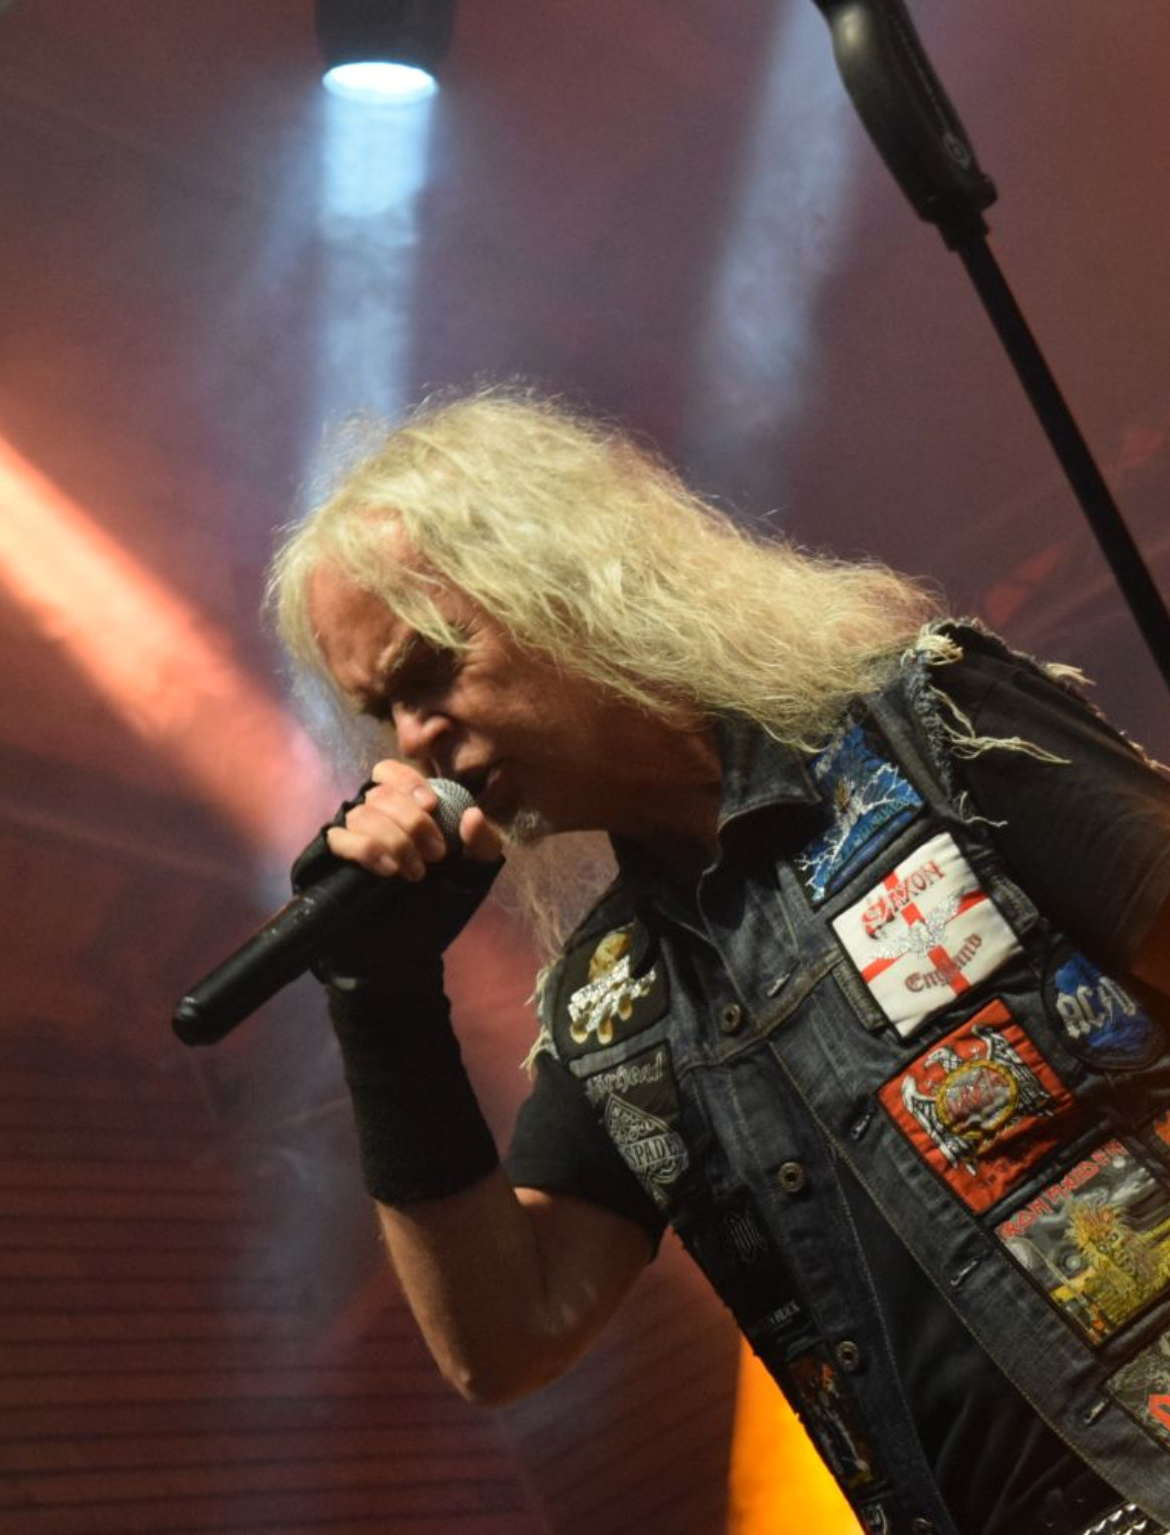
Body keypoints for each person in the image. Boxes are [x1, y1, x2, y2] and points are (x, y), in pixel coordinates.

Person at [265, 386, 1170, 1535]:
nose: (411, 739)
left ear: (561, 585)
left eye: (427, 670)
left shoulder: (920, 732)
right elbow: (503, 1339)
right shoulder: (614, 1001)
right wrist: (381, 998)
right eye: (382, 709)